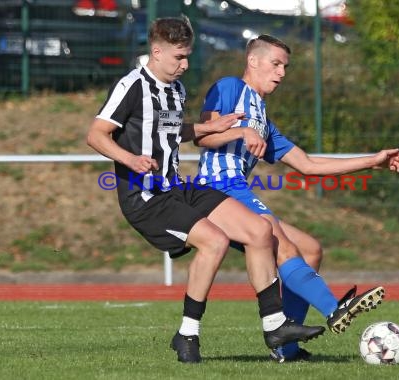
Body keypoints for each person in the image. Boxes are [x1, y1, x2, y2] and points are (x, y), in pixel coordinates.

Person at [86, 19, 326, 364]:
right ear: (157, 52)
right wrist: (130, 159)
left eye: (187, 57)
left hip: (177, 188)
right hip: (145, 196)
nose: (184, 65)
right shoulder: (132, 85)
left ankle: (276, 326)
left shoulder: (175, 90)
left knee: (260, 230)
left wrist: (208, 127)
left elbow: (170, 130)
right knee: (215, 241)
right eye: (179, 58)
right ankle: (187, 334)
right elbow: (96, 134)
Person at [194, 34, 399, 362]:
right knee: (286, 247)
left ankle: (287, 348)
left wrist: (372, 161)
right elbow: (204, 137)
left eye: (285, 67)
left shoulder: (262, 117)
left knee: (310, 249)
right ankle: (334, 309)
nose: (281, 72)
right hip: (218, 188)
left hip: (237, 191)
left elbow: (307, 164)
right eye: (275, 64)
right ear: (253, 61)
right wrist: (241, 131)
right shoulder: (229, 88)